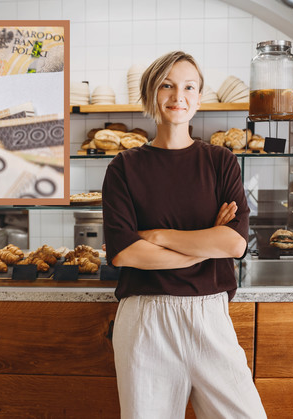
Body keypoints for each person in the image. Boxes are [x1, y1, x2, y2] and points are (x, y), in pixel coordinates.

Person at [102, 51, 267, 418]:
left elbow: (234, 244)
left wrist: (158, 235)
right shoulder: (124, 167)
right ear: (150, 93)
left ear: (199, 96)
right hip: (146, 319)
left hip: (210, 314)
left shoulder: (220, 161)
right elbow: (126, 254)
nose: (179, 96)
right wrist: (207, 242)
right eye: (167, 85)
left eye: (189, 86)